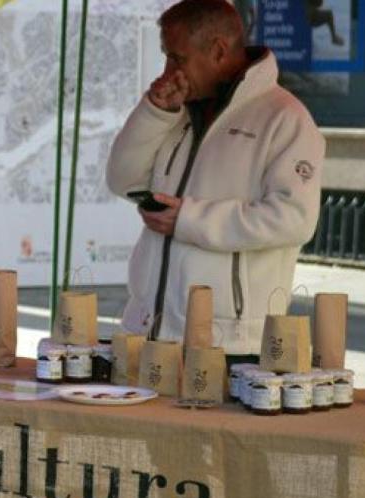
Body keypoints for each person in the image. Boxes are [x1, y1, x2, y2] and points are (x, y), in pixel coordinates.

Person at [106, 0, 324, 365]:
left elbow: (294, 218)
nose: (168, 71)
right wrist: (154, 112)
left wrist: (189, 219)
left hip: (231, 343)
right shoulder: (175, 110)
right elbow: (121, 180)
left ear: (219, 51)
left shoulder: (286, 119)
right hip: (148, 330)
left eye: (177, 58)